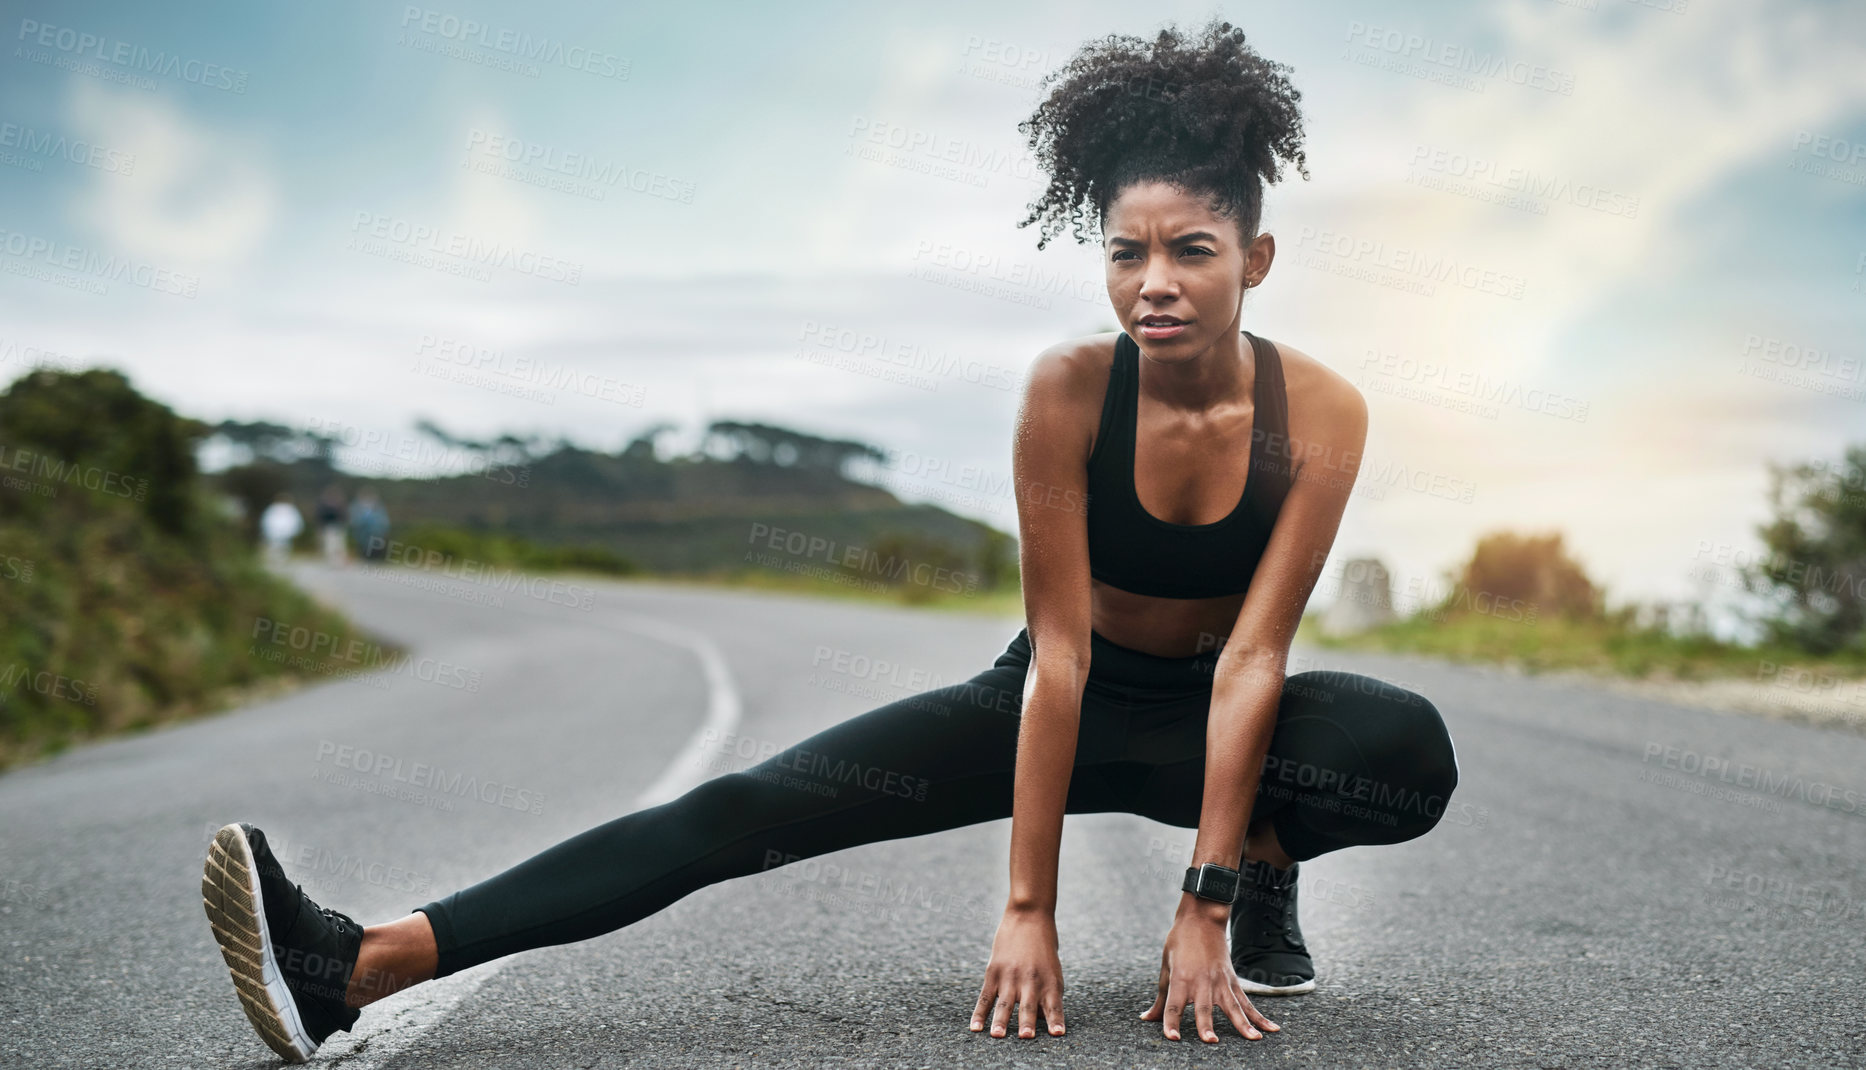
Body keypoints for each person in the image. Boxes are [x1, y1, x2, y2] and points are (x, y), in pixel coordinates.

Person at [201, 19, 1460, 1061]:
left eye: (1193, 251)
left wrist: (1208, 898)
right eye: (1125, 252)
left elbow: (1253, 660)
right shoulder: (1070, 390)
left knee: (1398, 747)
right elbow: (1060, 658)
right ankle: (357, 962)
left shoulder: (1322, 413)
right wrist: (1029, 906)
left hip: (1207, 710)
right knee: (747, 803)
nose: (1154, 284)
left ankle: (1264, 862)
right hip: (1054, 694)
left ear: (1260, 257)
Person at [257, 493, 303, 568]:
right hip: (275, 532)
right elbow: (268, 521)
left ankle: (280, 561)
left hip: (284, 532)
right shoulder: (273, 509)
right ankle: (275, 560)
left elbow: (295, 521)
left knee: (283, 547)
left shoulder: (290, 509)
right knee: (275, 546)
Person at [347, 489, 389, 563]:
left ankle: (375, 560)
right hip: (362, 533)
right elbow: (354, 520)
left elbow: (383, 520)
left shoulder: (379, 507)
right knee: (364, 548)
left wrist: (383, 529)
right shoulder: (356, 507)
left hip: (376, 533)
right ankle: (365, 559)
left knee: (375, 548)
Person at [315, 485, 349, 566]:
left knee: (339, 546)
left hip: (339, 528)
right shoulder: (324, 506)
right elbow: (321, 517)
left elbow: (344, 517)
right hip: (329, 528)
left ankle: (339, 562)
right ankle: (332, 561)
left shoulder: (340, 505)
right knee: (330, 546)